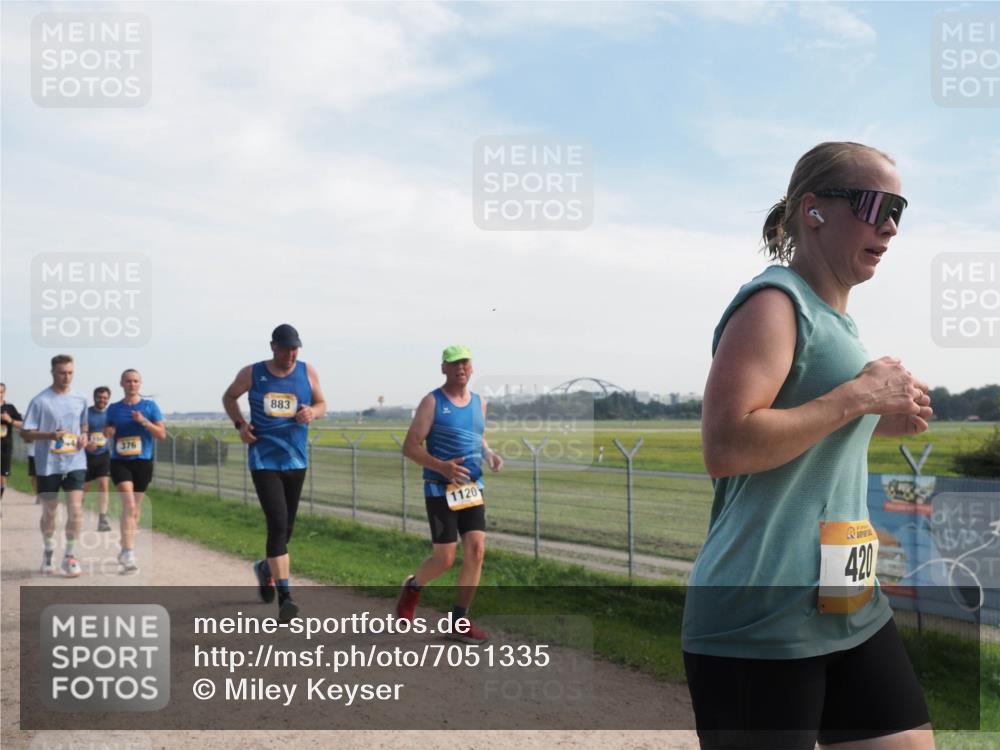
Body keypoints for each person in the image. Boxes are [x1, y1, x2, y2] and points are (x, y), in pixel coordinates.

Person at [682, 142, 934, 750]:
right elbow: (727, 445)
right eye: (876, 205)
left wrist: (876, 417)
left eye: (898, 210)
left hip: (847, 599)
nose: (890, 227)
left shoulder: (836, 319)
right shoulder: (774, 303)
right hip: (761, 612)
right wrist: (858, 397)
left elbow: (804, 430)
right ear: (814, 209)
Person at [395, 345, 503, 645]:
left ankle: (459, 621)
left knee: (476, 551)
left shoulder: (480, 403)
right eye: (454, 364)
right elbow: (410, 447)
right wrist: (441, 466)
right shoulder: (432, 402)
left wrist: (489, 453)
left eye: (465, 363)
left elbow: (478, 436)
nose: (460, 368)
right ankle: (414, 587)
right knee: (444, 559)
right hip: (439, 489)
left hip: (471, 488)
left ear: (472, 367)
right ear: (444, 368)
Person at [222, 324, 327, 624]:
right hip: (264, 460)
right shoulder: (253, 373)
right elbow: (229, 397)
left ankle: (266, 568)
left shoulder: (307, 371)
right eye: (285, 349)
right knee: (278, 523)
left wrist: (313, 412)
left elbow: (322, 403)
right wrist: (241, 425)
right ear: (273, 347)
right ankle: (286, 598)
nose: (290, 355)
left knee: (287, 529)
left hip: (296, 461)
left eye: (295, 349)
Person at [20, 354, 89, 577]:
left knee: (75, 510)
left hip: (75, 461)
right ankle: (49, 551)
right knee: (50, 512)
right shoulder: (40, 401)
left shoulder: (81, 398)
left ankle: (70, 556)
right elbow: (25, 433)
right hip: (48, 465)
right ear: (52, 373)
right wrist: (50, 435)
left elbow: (84, 425)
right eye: (62, 373)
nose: (66, 377)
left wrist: (84, 436)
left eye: (70, 373)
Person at [105, 369, 166, 573]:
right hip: (120, 462)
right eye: (128, 381)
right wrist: (109, 431)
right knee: (129, 505)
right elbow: (107, 430)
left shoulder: (150, 407)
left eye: (135, 381)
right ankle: (129, 553)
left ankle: (125, 545)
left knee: (135, 510)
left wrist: (144, 421)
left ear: (140, 384)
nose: (132, 384)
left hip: (142, 462)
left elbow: (161, 435)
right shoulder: (114, 408)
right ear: (121, 383)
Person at [83, 386, 113, 531]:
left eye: (105, 398)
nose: (102, 400)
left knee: (103, 485)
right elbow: (79, 432)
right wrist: (86, 444)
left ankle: (102, 519)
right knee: (84, 488)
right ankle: (76, 515)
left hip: (104, 454)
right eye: (99, 397)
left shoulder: (111, 414)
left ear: (108, 399)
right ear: (94, 397)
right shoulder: (86, 413)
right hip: (86, 455)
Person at [1, 383, 24, 501]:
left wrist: (10, 420)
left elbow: (22, 424)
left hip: (5, 445)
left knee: (2, 475)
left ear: (4, 393)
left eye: (1, 392)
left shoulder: (10, 408)